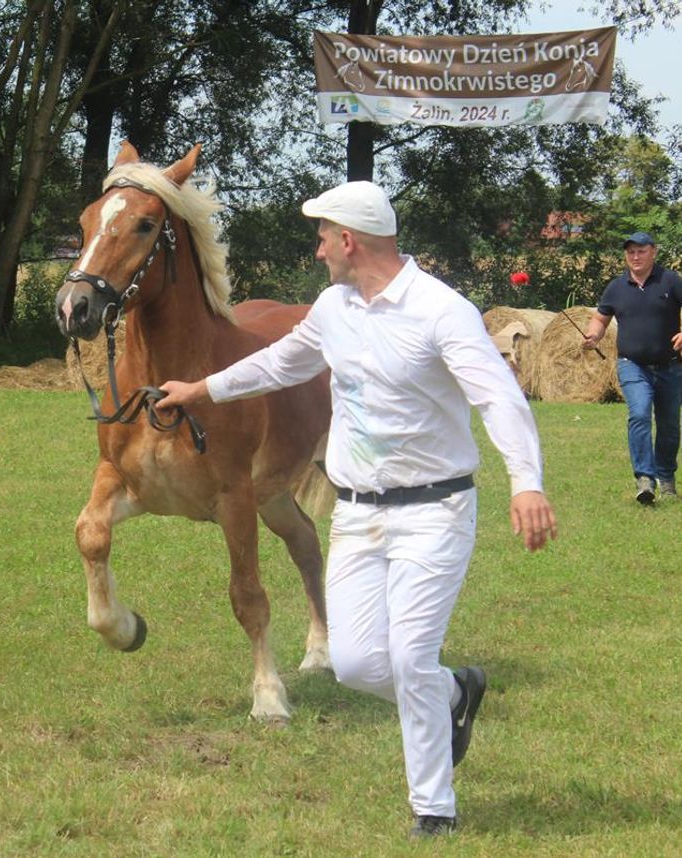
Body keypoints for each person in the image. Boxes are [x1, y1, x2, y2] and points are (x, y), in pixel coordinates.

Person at [156, 181, 557, 839]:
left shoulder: (439, 310)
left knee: (408, 659)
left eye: (321, 238)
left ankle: (434, 811)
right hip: (358, 515)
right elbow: (283, 360)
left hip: (435, 511)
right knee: (356, 664)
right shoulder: (334, 306)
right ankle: (455, 693)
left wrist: (527, 482)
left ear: (349, 240)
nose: (317, 251)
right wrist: (200, 389)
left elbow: (497, 400)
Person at [582, 231, 682, 504]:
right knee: (638, 413)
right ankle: (645, 479)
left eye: (641, 251)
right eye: (630, 252)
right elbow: (600, 319)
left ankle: (666, 478)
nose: (635, 257)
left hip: (670, 366)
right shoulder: (616, 287)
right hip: (632, 364)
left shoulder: (670, 281)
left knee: (669, 425)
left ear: (654, 252)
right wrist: (593, 335)